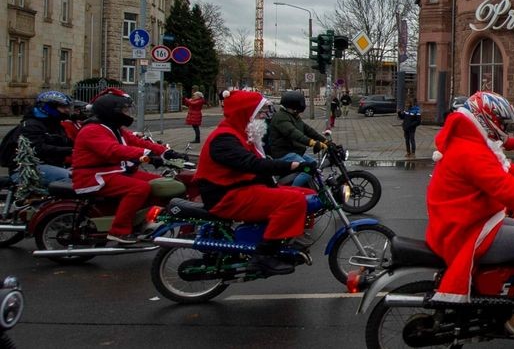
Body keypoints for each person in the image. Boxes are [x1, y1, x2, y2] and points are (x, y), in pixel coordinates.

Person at [426, 92, 514, 344]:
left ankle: (498, 292)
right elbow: (506, 188)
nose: (503, 129)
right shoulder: (470, 150)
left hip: (467, 217)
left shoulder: (471, 141)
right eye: (501, 123)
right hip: (465, 228)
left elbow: (508, 169)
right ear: (486, 118)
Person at [194, 90, 315, 275]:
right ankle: (264, 256)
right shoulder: (224, 138)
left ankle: (288, 237)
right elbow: (253, 164)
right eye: (260, 113)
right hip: (226, 195)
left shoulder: (241, 133)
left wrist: (275, 186)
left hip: (239, 188)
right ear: (246, 113)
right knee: (293, 201)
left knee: (305, 195)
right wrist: (291, 165)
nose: (263, 117)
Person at [71, 93, 174, 245]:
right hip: (93, 175)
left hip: (112, 171)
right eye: (124, 110)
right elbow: (112, 150)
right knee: (139, 188)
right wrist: (146, 155)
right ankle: (119, 230)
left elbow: (136, 141)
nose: (127, 114)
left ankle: (142, 221)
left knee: (159, 183)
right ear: (111, 111)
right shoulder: (92, 130)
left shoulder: (113, 127)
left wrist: (165, 152)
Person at [2, 90, 75, 186]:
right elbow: (37, 148)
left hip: (50, 166)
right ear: (49, 107)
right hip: (27, 170)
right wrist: (71, 150)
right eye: (62, 107)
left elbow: (66, 142)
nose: (67, 110)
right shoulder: (31, 125)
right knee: (72, 178)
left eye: (67, 107)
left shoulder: (55, 125)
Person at [266, 91, 328, 186]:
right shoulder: (280, 117)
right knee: (308, 169)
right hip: (283, 153)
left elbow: (308, 130)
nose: (298, 112)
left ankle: (312, 188)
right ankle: (294, 191)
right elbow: (293, 133)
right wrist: (312, 143)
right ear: (290, 107)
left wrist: (325, 141)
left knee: (313, 163)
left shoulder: (293, 115)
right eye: (296, 110)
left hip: (294, 151)